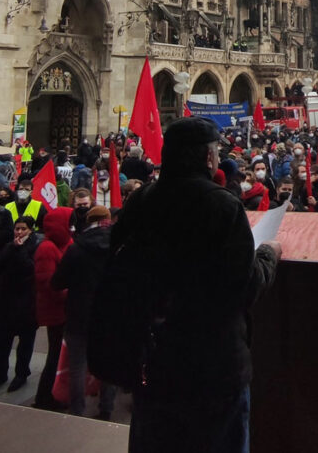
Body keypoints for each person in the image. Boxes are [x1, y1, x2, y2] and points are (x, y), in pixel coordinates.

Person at [112, 117, 281, 452]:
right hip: (214, 364)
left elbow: (119, 269)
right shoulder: (221, 204)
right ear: (208, 159)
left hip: (155, 358)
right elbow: (244, 287)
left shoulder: (142, 200)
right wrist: (267, 256)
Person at [52, 205, 118, 419]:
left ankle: (77, 410)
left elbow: (58, 281)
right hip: (109, 314)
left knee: (77, 365)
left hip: (79, 314)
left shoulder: (77, 248)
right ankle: (106, 408)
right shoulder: (119, 246)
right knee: (109, 361)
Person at [0, 214, 41, 393]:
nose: (19, 232)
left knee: (25, 344)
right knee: (2, 344)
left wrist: (20, 250)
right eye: (17, 228)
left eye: (23, 229)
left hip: (26, 303)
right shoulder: (9, 246)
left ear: (31, 231)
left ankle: (21, 374)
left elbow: (29, 269)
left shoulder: (36, 247)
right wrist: (12, 249)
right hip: (6, 303)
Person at [33, 206, 72, 410]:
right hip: (55, 312)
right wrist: (73, 293)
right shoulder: (47, 248)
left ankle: (56, 395)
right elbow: (48, 285)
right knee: (55, 356)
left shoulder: (67, 243)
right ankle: (45, 398)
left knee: (60, 356)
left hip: (65, 310)